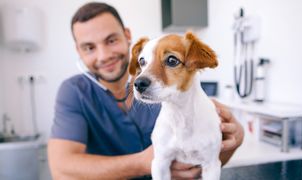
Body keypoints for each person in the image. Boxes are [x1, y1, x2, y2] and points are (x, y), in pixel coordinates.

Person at [48, 2, 244, 179]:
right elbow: (61, 169)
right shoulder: (74, 91)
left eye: (111, 40)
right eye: (89, 47)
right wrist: (144, 162)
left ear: (127, 36)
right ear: (78, 51)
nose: (104, 55)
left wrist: (237, 136)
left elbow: (204, 164)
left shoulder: (181, 95)